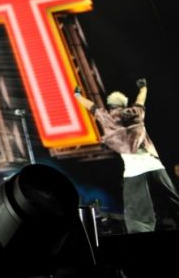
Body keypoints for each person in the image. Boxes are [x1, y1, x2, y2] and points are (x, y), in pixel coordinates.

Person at [75, 78, 179, 233]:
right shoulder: (136, 112)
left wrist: (77, 96)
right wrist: (143, 87)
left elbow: (92, 107)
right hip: (155, 165)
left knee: (137, 214)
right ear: (124, 105)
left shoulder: (108, 117)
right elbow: (140, 100)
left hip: (134, 171)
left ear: (111, 106)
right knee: (173, 200)